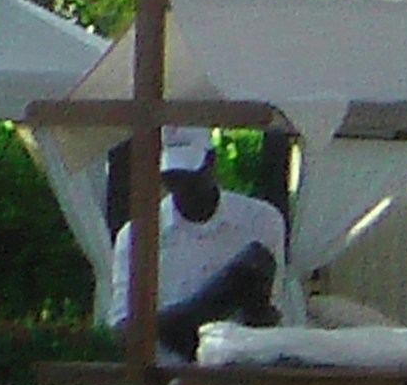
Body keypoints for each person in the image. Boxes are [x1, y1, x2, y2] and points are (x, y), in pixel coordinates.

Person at [100, 128, 287, 351]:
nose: (181, 185)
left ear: (211, 161)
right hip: (162, 371)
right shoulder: (135, 235)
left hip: (238, 370)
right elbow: (121, 330)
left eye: (190, 173)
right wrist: (216, 298)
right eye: (172, 176)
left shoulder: (260, 220)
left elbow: (265, 315)